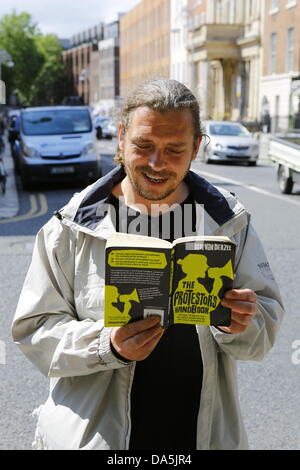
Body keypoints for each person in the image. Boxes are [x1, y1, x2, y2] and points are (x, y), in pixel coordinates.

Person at [12, 79, 284, 450]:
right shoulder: (70, 226)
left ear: (197, 147)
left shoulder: (229, 221)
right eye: (143, 145)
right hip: (97, 440)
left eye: (175, 149)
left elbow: (262, 334)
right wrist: (107, 344)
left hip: (199, 435)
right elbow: (35, 331)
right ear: (121, 137)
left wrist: (241, 322)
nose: (157, 163)